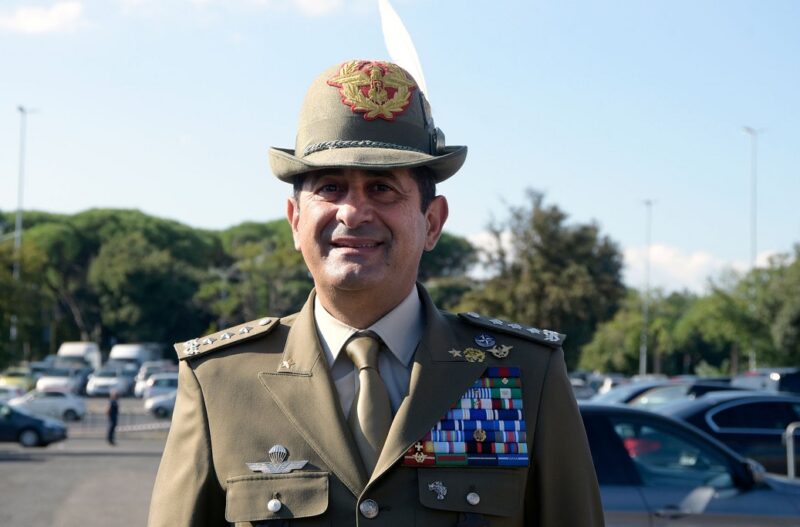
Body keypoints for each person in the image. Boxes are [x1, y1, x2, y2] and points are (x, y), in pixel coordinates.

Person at [148, 59, 603, 526]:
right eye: (330, 187)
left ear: (432, 222)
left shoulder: (522, 373)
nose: (353, 212)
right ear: (295, 221)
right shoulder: (221, 381)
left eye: (383, 188)